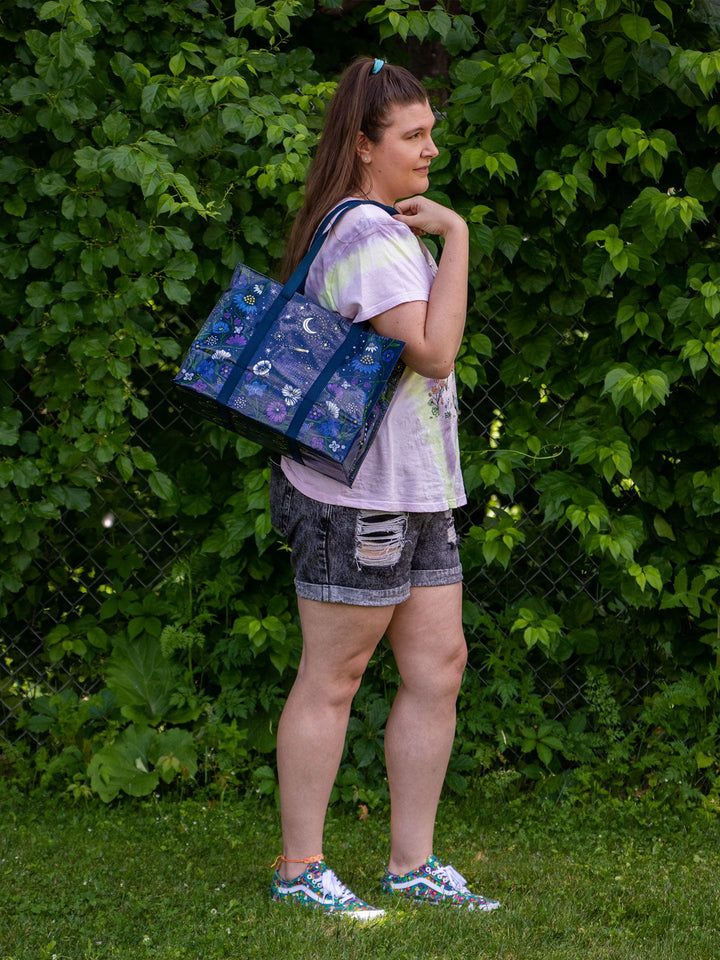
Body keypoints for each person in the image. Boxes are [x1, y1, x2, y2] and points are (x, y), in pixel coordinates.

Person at [268, 56, 500, 919]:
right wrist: (461, 236)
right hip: (358, 495)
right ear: (364, 147)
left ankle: (412, 866)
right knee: (335, 676)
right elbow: (434, 352)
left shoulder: (389, 231)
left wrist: (443, 235)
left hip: (418, 489)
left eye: (431, 131)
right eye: (413, 135)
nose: (431, 148)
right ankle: (299, 869)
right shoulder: (366, 234)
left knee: (439, 666)